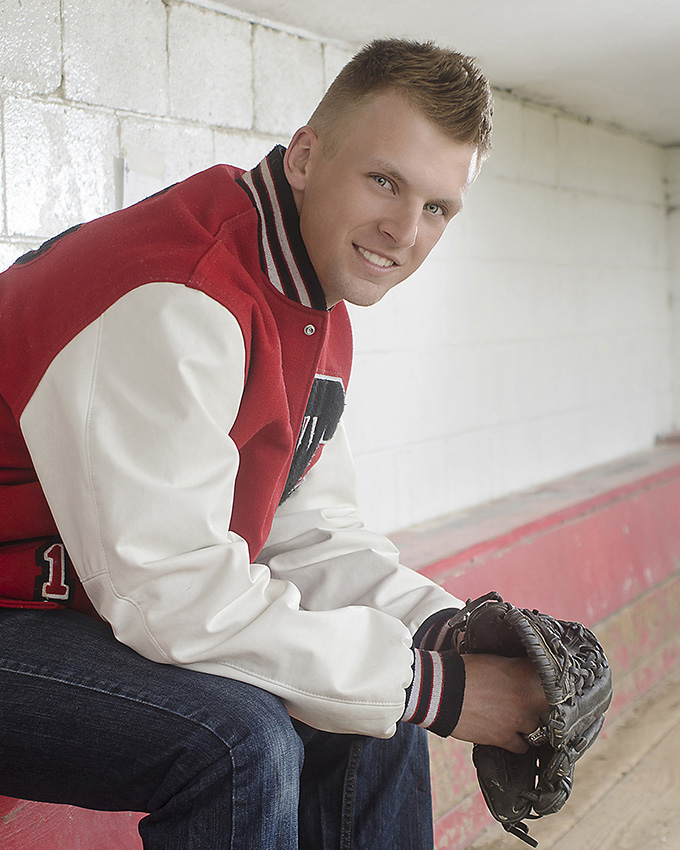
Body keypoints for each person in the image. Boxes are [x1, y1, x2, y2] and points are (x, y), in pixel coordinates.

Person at [0, 39, 548, 849]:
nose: (403, 231)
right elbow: (170, 593)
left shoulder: (310, 296)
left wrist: (447, 635)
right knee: (238, 739)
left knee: (372, 708)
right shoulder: (182, 293)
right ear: (304, 157)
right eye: (385, 181)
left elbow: (307, 534)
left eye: (437, 208)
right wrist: (438, 689)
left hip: (68, 616)